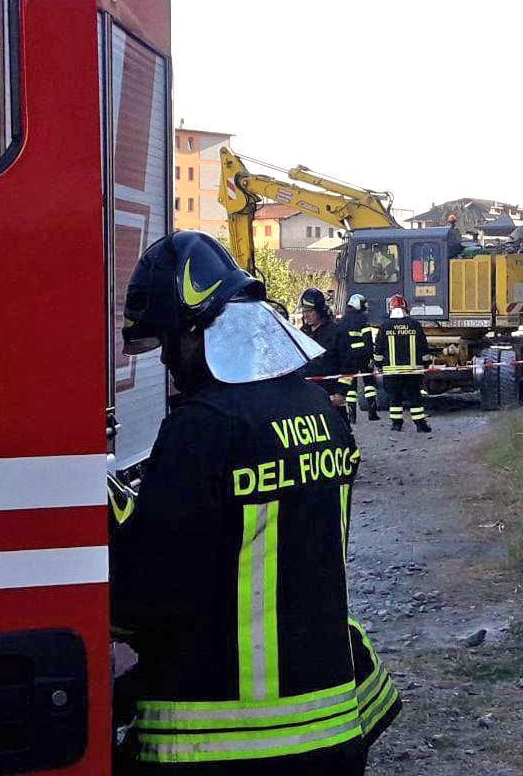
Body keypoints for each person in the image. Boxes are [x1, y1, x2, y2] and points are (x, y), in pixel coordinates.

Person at [110, 231, 397, 774]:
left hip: (223, 738)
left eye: (170, 342)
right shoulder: (321, 412)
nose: (169, 360)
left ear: (198, 331)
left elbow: (142, 594)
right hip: (334, 724)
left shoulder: (201, 428)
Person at [373, 293, 432, 433]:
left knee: (395, 399)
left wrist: (379, 366)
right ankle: (420, 424)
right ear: (406, 308)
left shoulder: (385, 327)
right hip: (413, 371)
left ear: (390, 309)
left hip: (392, 372)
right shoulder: (415, 325)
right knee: (415, 397)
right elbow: (424, 349)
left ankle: (396, 424)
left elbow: (378, 351)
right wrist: (425, 364)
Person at [298, 287, 355, 421]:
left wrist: (341, 392)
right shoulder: (303, 333)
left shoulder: (337, 332)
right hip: (307, 396)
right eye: (304, 311)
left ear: (320, 310)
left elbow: (348, 366)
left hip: (330, 398)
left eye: (310, 311)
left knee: (340, 438)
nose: (306, 315)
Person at [340, 294, 378, 423]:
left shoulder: (343, 320)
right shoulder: (363, 319)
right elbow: (367, 339)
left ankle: (352, 415)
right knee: (369, 383)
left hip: (348, 357)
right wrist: (371, 357)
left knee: (351, 386)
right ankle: (372, 412)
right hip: (362, 355)